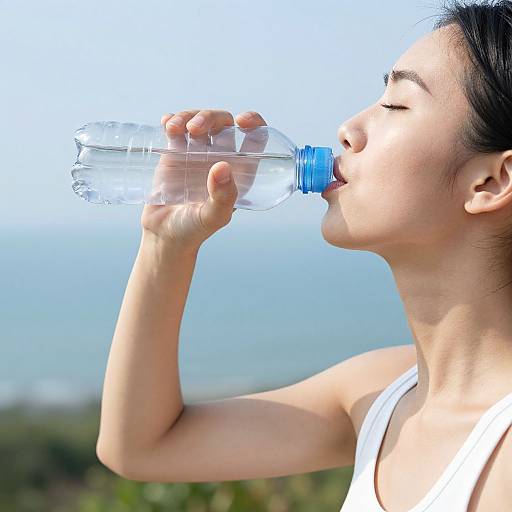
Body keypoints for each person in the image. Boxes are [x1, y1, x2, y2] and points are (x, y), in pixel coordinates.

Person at [95, 1, 512, 510]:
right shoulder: (379, 394)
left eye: (396, 105)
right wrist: (166, 246)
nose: (347, 128)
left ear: (491, 181)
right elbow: (140, 447)